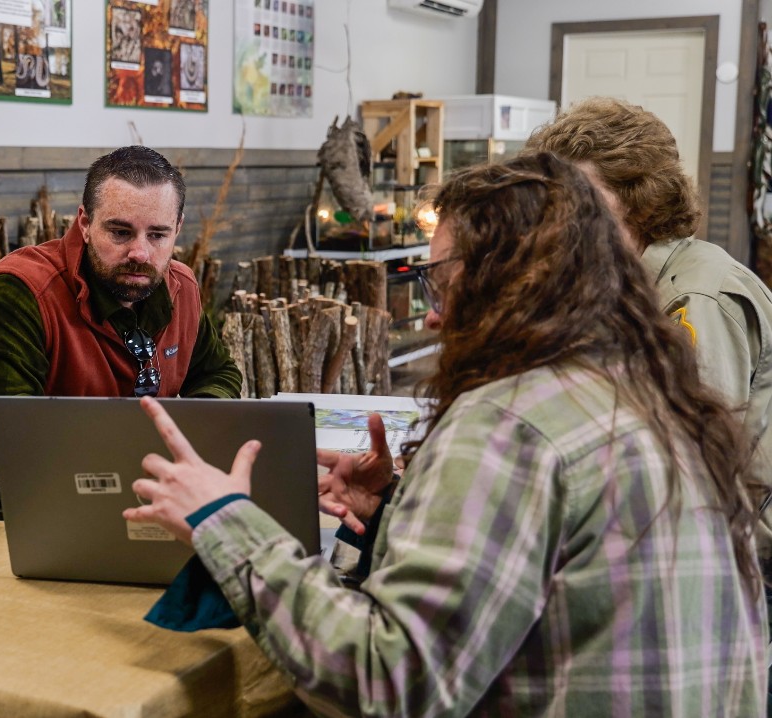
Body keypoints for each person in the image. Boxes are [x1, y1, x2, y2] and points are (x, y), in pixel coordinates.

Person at [124, 153, 768, 715]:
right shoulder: (653, 391)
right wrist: (393, 516)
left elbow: (389, 684)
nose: (432, 315)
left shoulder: (509, 424)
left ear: (508, 281)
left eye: (442, 280)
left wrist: (225, 521)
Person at [524, 98, 772, 546]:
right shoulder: (623, 279)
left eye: (586, 201)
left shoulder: (695, 298)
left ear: (641, 200)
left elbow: (694, 468)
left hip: (737, 550)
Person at [0, 145, 242, 418]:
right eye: (120, 232)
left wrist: (194, 429)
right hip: (56, 472)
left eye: (157, 235)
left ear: (177, 229)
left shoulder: (182, 288)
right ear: (85, 224)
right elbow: (9, 429)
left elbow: (216, 373)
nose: (140, 253)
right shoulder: (20, 294)